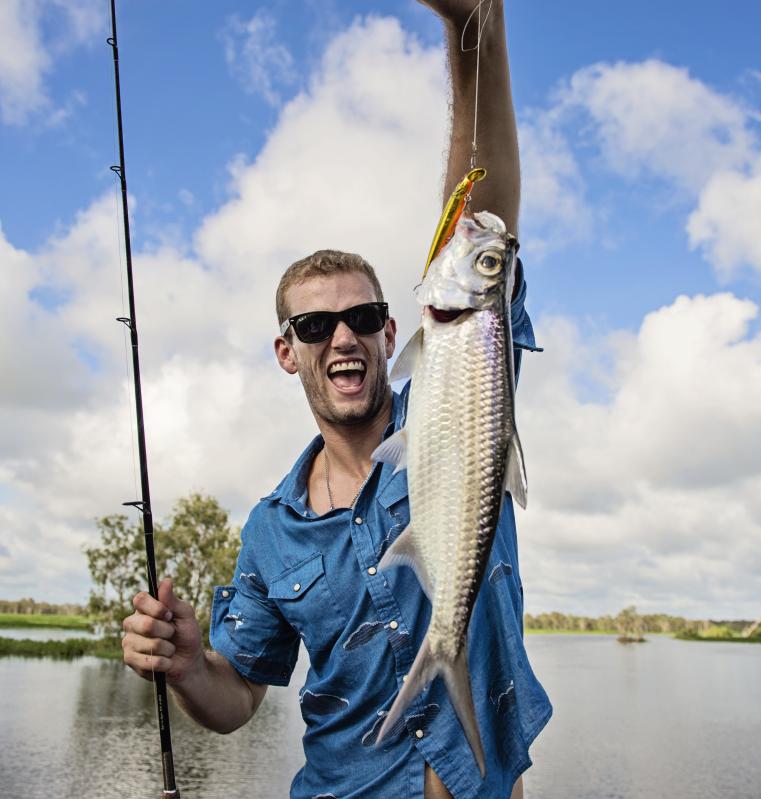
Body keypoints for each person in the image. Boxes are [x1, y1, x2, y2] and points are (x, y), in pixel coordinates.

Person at [121, 2, 550, 796]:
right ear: (287, 352)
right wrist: (186, 664)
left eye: (360, 317)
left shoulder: (461, 401)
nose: (341, 337)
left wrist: (474, 38)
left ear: (395, 331)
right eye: (315, 324)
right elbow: (239, 692)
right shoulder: (270, 530)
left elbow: (483, 211)